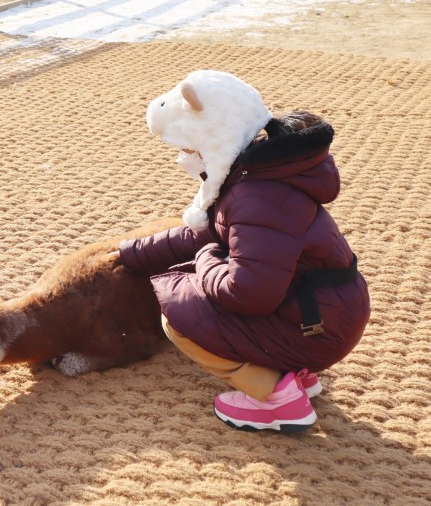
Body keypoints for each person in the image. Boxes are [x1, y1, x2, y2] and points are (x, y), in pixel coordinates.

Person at [116, 70, 369, 433]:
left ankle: (277, 398)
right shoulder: (257, 174)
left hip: (318, 328)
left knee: (179, 314)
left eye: (190, 148)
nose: (186, 159)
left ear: (213, 140)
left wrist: (205, 261)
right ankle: (295, 375)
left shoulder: (255, 198)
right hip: (322, 311)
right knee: (198, 280)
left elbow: (248, 293)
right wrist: (131, 253)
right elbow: (207, 234)